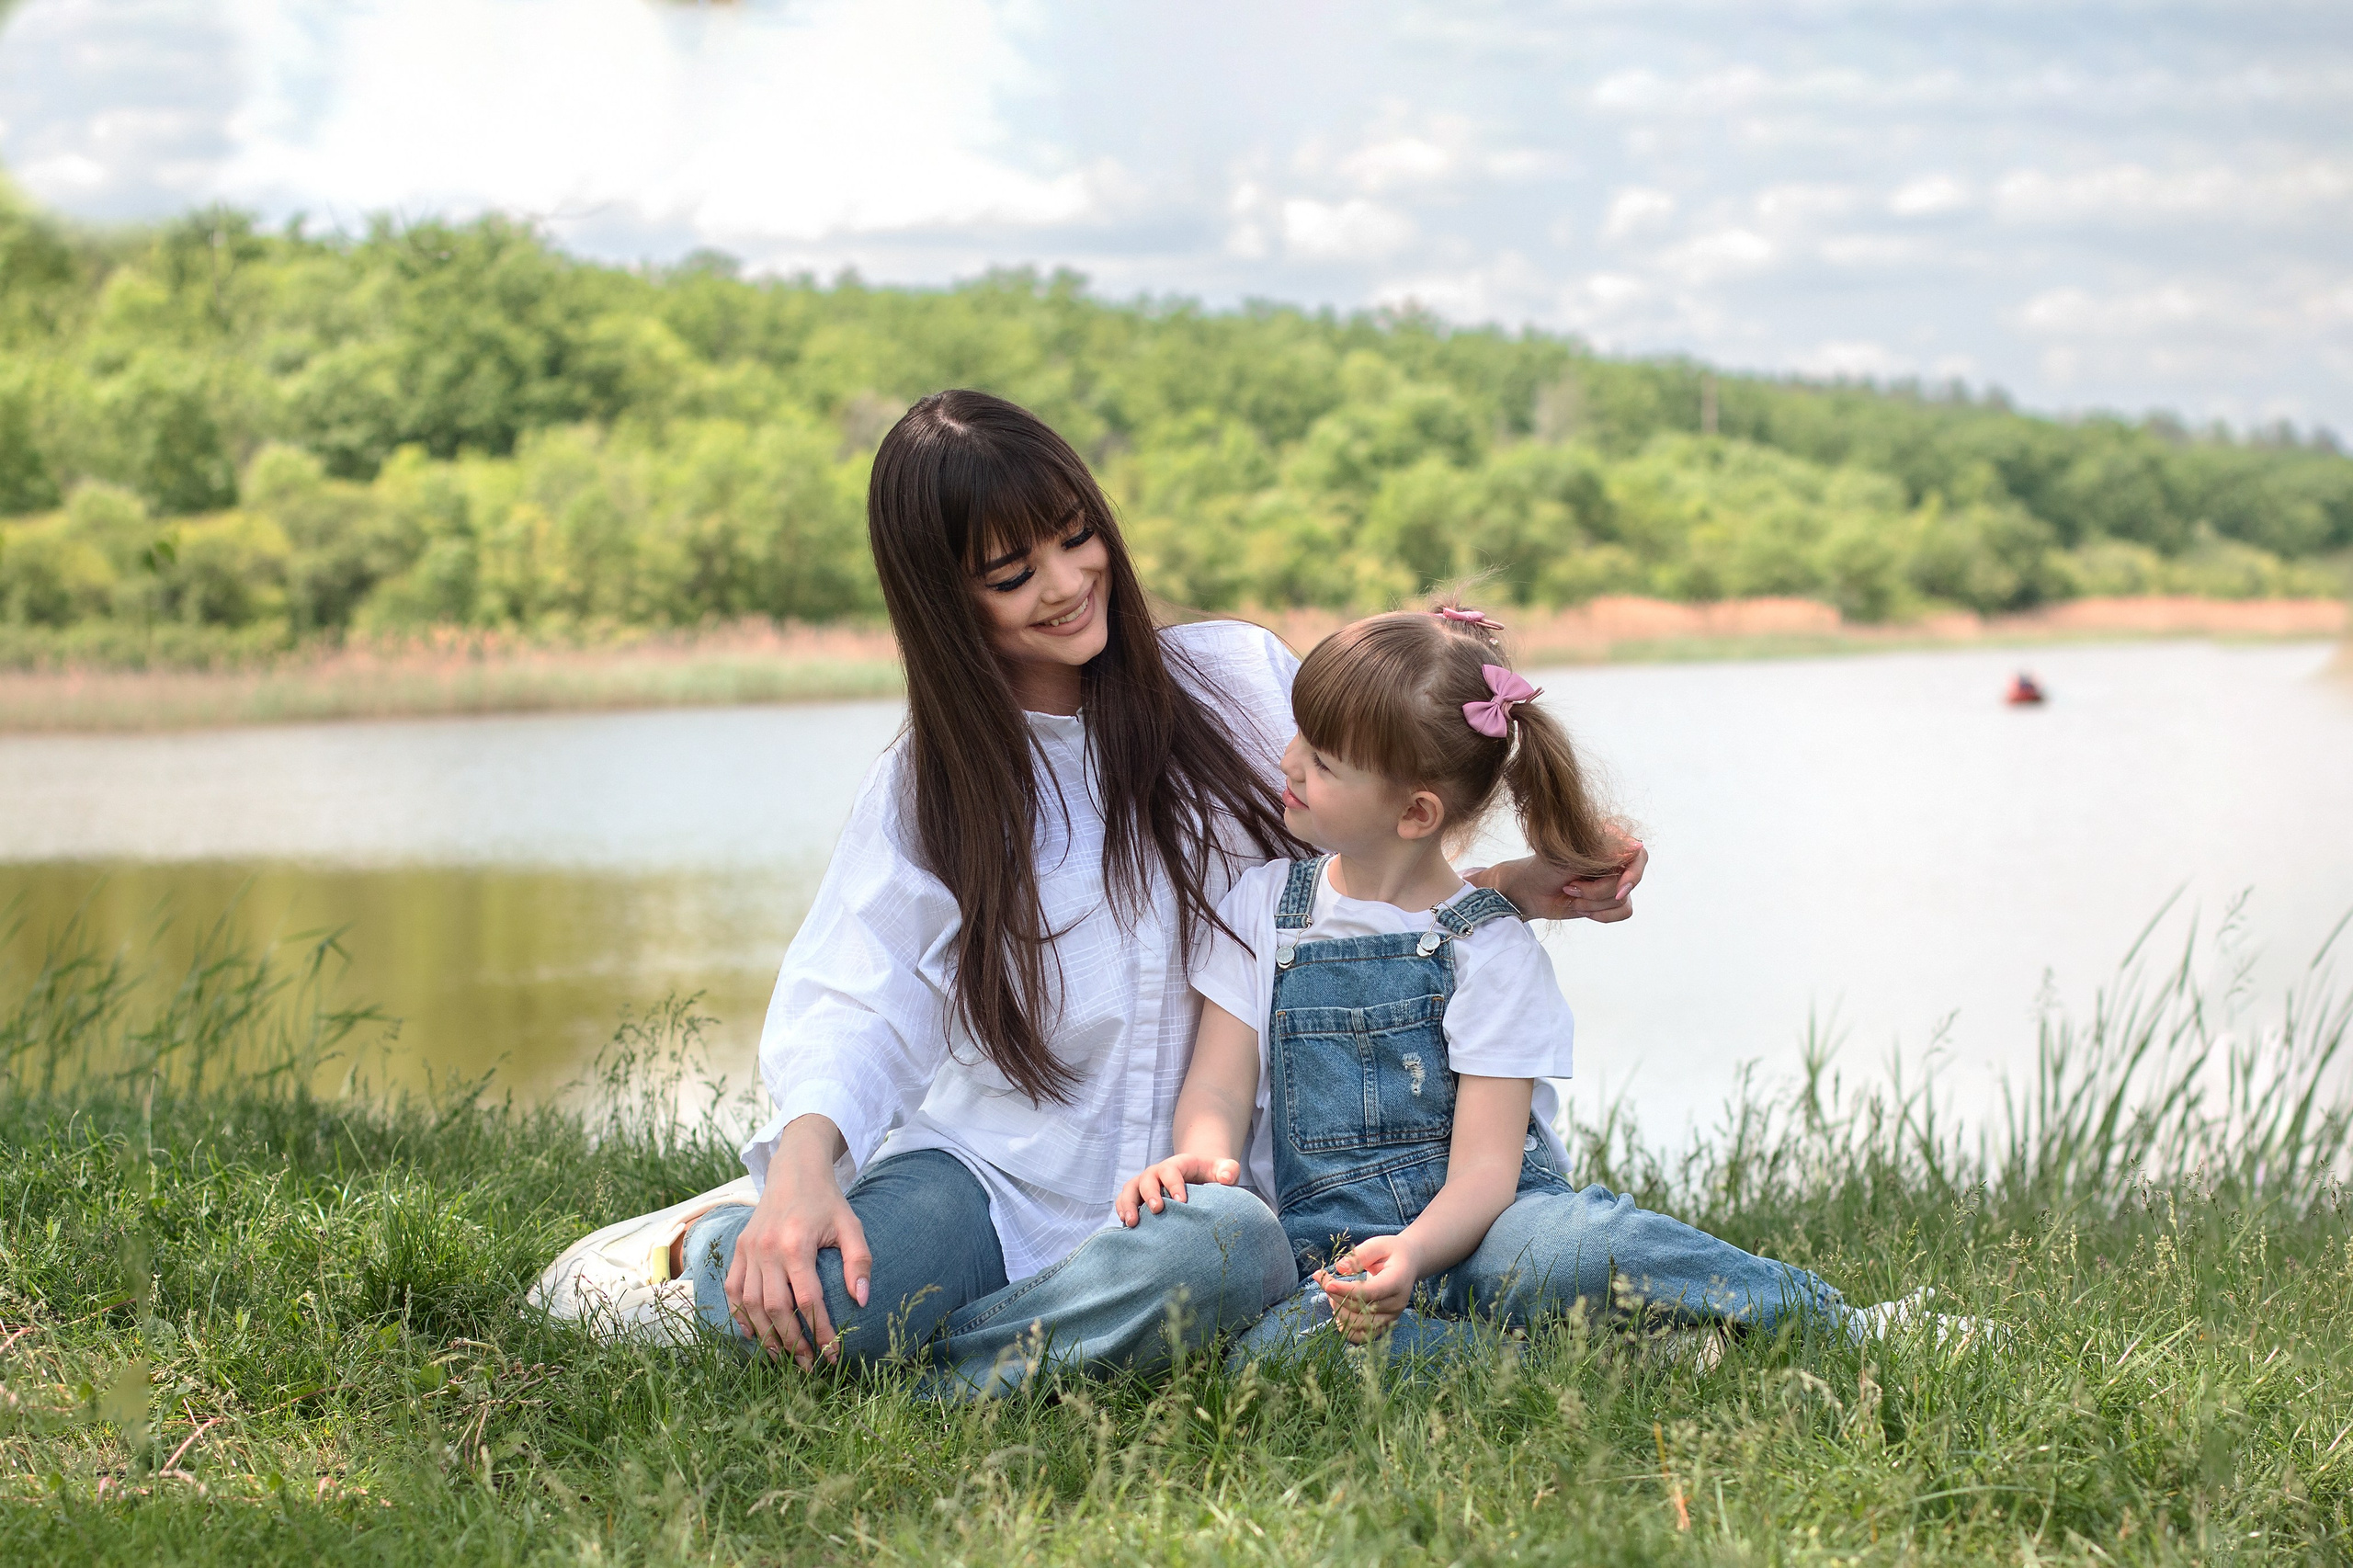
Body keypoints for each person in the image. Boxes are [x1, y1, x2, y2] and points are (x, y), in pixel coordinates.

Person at [528, 390, 1646, 1395]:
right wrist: (803, 1171)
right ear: (943, 600)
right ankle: (708, 1251)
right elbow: (856, 994)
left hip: (1204, 1197)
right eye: (1013, 576)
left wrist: (1513, 886)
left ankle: (941, 1382)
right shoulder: (932, 784)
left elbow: (1357, 876)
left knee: (1219, 1256)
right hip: (998, 1176)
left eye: (1076, 539)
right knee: (804, 1286)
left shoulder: (1235, 682)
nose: (1066, 585)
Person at [1115, 603, 1866, 1359]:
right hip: (1339, 1259)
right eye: (1301, 735)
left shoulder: (1489, 947)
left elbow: (1485, 1169)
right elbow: (1218, 1085)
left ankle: (1834, 1317)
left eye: (1324, 762)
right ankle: (1576, 1363)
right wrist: (1206, 1163)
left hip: (1487, 1235)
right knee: (1276, 1351)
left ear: (1415, 812)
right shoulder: (1261, 909)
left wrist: (1413, 1251)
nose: (1287, 761)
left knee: (1561, 1253)